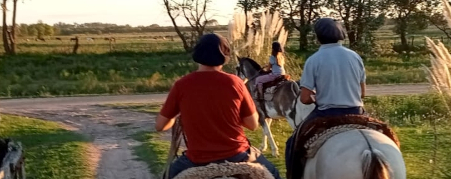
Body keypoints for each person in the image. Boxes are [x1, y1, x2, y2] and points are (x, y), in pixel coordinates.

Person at [155, 33, 282, 179]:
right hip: (237, 155)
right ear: (225, 56)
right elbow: (252, 124)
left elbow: (160, 126)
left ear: (197, 54)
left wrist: (179, 115)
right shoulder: (236, 83)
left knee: (167, 175)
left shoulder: (181, 85)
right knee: (273, 173)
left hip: (197, 160)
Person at [284, 17, 367, 173]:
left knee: (292, 143)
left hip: (327, 113)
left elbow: (304, 98)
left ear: (318, 37)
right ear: (340, 34)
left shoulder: (314, 60)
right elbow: (362, 92)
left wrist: (315, 97)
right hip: (357, 111)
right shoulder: (355, 56)